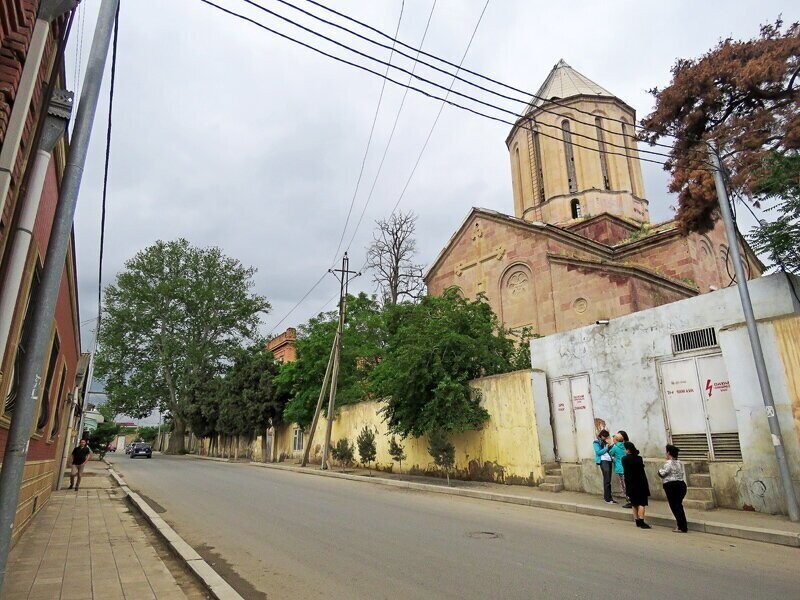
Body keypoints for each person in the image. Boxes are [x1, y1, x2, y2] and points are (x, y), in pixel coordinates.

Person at [659, 444, 688, 533]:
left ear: (668, 453)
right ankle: (682, 525)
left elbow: (663, 473)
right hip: (681, 485)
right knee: (678, 505)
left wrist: (659, 470)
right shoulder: (679, 462)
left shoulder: (668, 463)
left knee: (675, 506)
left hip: (671, 486)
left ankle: (681, 526)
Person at [621, 441, 651, 528]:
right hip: (641, 482)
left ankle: (637, 520)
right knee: (642, 502)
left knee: (634, 503)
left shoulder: (624, 459)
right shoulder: (639, 458)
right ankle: (642, 521)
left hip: (630, 483)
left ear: (628, 450)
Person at [608, 433, 631, 508]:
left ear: (616, 440)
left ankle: (629, 500)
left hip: (620, 468)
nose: (613, 440)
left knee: (624, 486)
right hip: (627, 467)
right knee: (628, 484)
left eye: (614, 439)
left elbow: (610, 453)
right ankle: (631, 499)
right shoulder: (625, 445)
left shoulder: (615, 447)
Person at [593, 429, 615, 504]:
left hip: (609, 460)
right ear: (601, 435)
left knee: (609, 480)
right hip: (603, 461)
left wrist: (610, 446)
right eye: (604, 437)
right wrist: (606, 448)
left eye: (606, 437)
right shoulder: (596, 442)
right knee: (607, 480)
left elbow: (608, 451)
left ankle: (610, 497)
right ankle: (607, 498)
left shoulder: (605, 442)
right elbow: (598, 452)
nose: (605, 438)